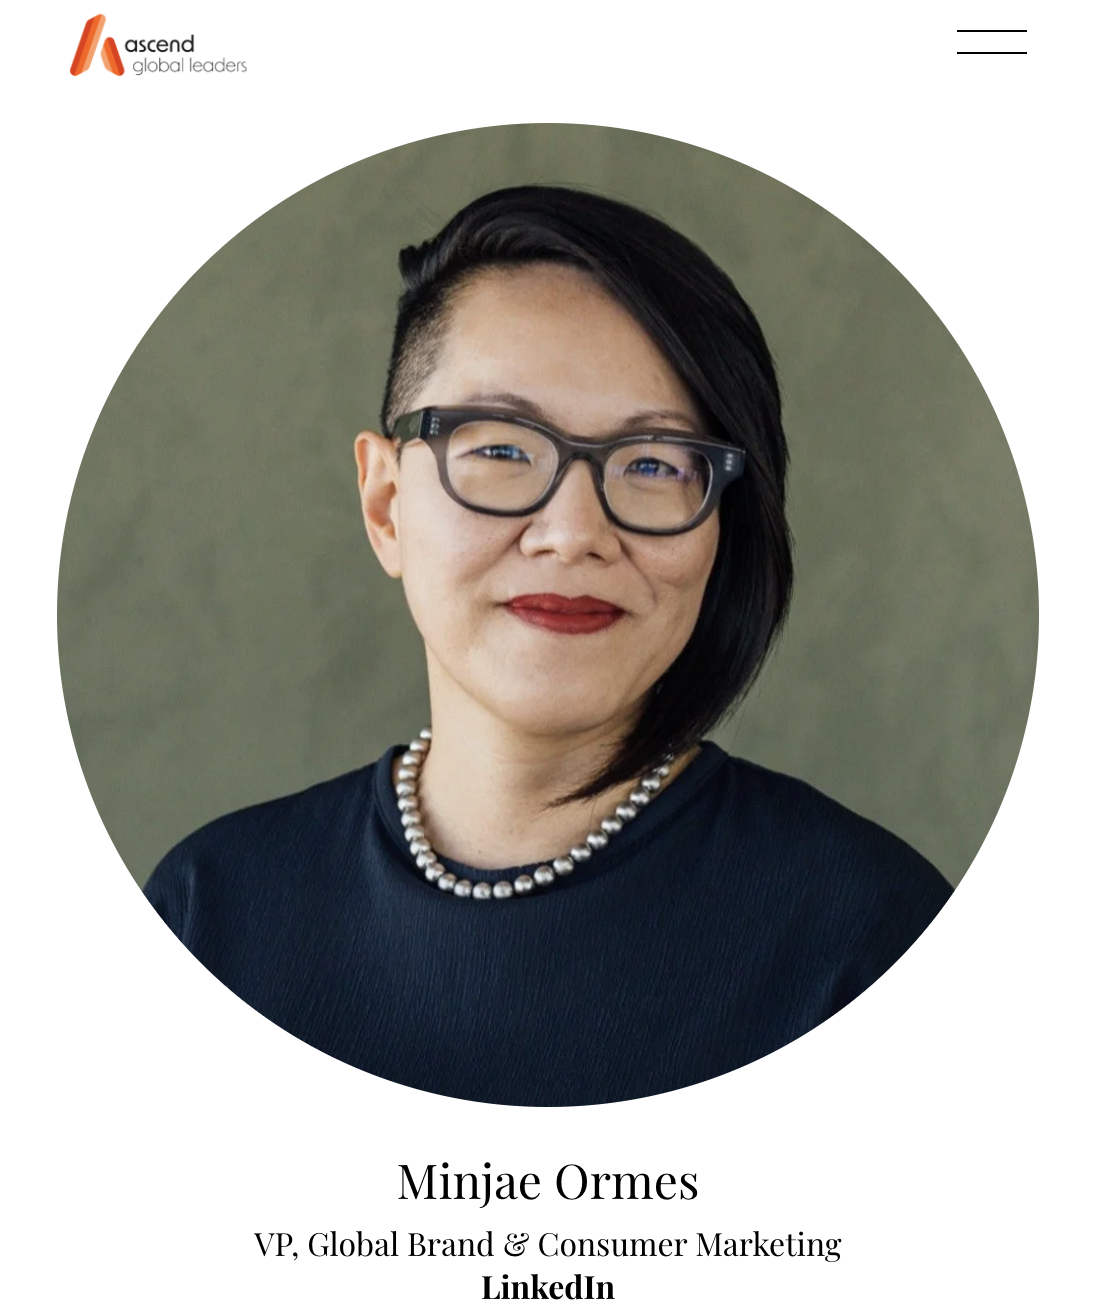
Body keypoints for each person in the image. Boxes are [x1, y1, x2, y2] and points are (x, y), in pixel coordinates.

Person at [145, 186, 951, 1104]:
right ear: (386, 504)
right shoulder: (211, 912)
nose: (571, 533)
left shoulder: (871, 937)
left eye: (653, 464)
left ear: (721, 525)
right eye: (497, 448)